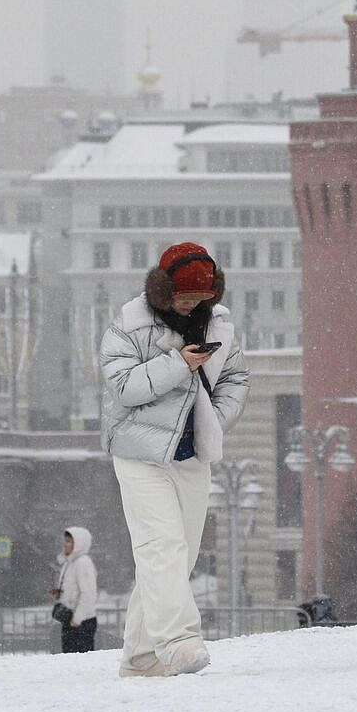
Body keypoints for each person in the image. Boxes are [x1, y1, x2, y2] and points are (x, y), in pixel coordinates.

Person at [101, 242, 249, 678]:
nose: (191, 305)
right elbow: (124, 387)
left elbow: (236, 378)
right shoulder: (130, 324)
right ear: (164, 290)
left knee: (178, 556)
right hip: (140, 453)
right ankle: (179, 642)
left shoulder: (220, 326)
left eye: (201, 298)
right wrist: (178, 363)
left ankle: (141, 657)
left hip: (191, 453)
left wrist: (213, 420)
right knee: (160, 546)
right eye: (185, 296)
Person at [51, 527, 99, 653]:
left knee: (80, 660)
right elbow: (72, 589)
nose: (64, 544)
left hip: (81, 622)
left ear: (78, 544)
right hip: (70, 620)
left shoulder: (83, 563)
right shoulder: (69, 563)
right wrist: (59, 594)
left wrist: (77, 619)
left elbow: (88, 594)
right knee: (70, 659)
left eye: (68, 541)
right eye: (65, 541)